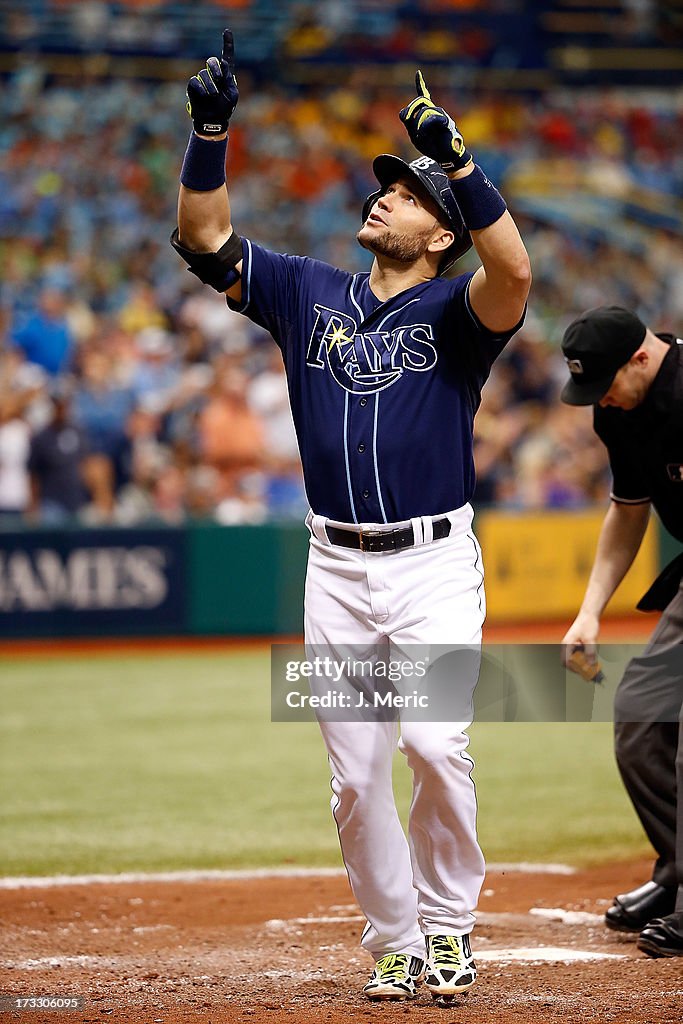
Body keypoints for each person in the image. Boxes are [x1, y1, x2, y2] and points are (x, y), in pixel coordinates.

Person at [172, 31, 530, 1002]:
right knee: (352, 777)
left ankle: (450, 924)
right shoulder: (306, 292)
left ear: (439, 235)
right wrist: (209, 134)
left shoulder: (458, 316)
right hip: (332, 567)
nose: (384, 195)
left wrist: (458, 164)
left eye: (407, 195)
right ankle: (392, 938)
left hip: (431, 563)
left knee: (434, 740)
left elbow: (517, 278)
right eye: (386, 186)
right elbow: (204, 240)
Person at [561, 306, 683, 959]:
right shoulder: (616, 409)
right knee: (639, 717)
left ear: (641, 356)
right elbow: (627, 511)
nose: (598, 398)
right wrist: (589, 610)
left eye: (604, 380)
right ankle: (676, 873)